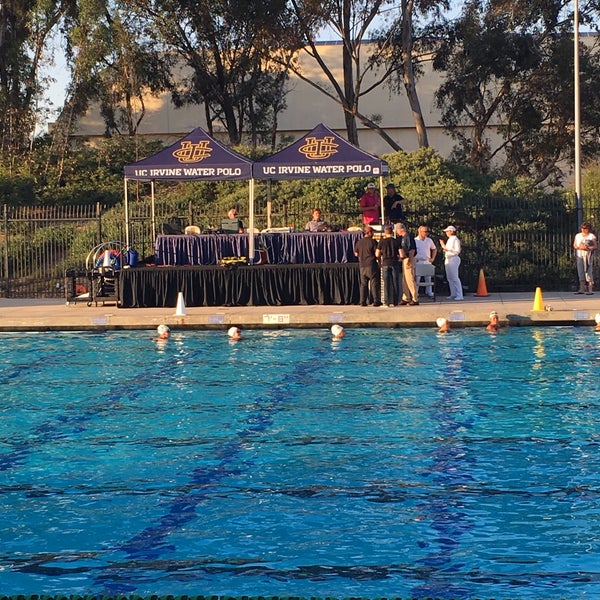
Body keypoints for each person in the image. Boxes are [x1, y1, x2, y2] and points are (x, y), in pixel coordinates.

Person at [353, 226, 381, 307]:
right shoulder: (373, 242)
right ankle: (376, 301)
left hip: (362, 265)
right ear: (369, 233)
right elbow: (377, 254)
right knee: (374, 283)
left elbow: (356, 254)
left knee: (363, 284)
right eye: (372, 232)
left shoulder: (359, 242)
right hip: (371, 264)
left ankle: (363, 301)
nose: (373, 234)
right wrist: (379, 262)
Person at [378, 225, 401, 307]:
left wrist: (380, 259)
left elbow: (377, 253)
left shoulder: (381, 242)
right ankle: (395, 301)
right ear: (392, 232)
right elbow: (401, 254)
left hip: (385, 263)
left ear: (385, 232)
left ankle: (386, 301)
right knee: (395, 282)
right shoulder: (396, 241)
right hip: (394, 263)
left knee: (386, 283)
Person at [395, 223, 418, 306]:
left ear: (400, 229)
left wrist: (410, 260)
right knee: (405, 279)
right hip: (404, 258)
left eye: (397, 230)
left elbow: (412, 250)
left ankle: (415, 298)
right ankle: (406, 297)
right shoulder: (403, 237)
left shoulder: (408, 237)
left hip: (408, 258)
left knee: (410, 278)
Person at [440, 225, 463, 300]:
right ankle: (453, 293)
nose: (446, 233)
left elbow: (457, 251)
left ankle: (459, 295)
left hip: (453, 259)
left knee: (455, 277)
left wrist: (446, 248)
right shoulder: (450, 239)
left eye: (447, 231)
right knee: (449, 277)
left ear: (451, 231)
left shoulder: (455, 239)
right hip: (448, 258)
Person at [573, 222, 597, 294]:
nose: (583, 230)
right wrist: (579, 247)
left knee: (588, 271)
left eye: (585, 228)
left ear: (588, 229)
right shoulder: (578, 236)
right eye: (582, 228)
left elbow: (595, 246)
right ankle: (582, 289)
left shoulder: (591, 236)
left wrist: (588, 248)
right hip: (580, 255)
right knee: (580, 271)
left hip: (587, 256)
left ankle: (590, 290)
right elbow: (574, 245)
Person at [414, 225, 437, 298]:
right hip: (418, 261)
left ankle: (429, 292)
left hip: (427, 260)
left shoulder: (429, 240)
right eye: (424, 231)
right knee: (417, 278)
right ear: (420, 232)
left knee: (428, 278)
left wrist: (432, 258)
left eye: (427, 231)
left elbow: (434, 249)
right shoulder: (415, 240)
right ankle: (416, 293)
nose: (426, 233)